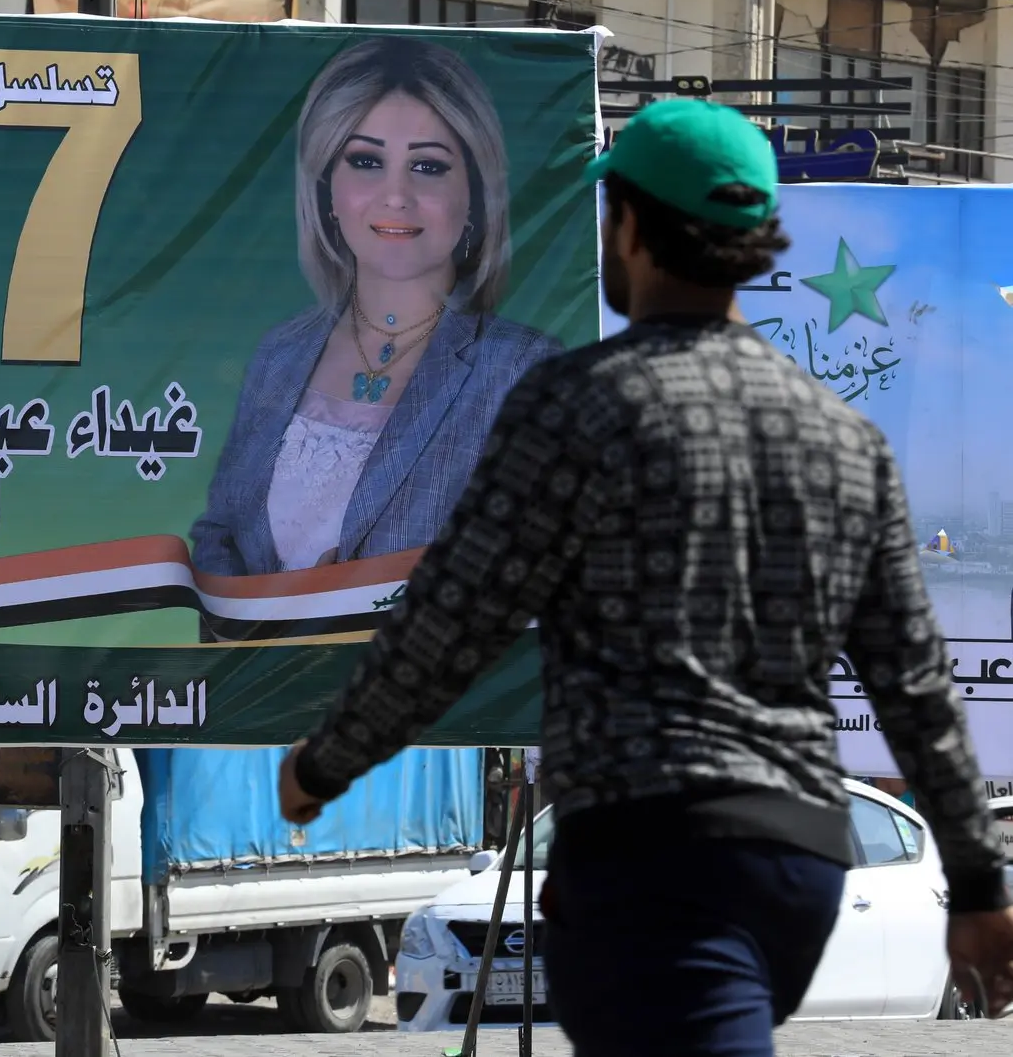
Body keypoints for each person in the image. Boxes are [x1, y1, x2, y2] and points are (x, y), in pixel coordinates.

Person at [276, 99, 1013, 1052]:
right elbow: (914, 687)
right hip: (798, 863)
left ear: (632, 228)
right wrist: (982, 886)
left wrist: (325, 761)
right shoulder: (844, 440)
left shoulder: (580, 406)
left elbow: (452, 622)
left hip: (654, 851)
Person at [191, 37, 561, 612]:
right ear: (327, 191)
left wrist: (356, 607)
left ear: (474, 197)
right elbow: (220, 536)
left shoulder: (520, 370)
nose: (396, 195)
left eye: (428, 166)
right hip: (269, 692)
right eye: (366, 161)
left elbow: (539, 568)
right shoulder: (280, 353)